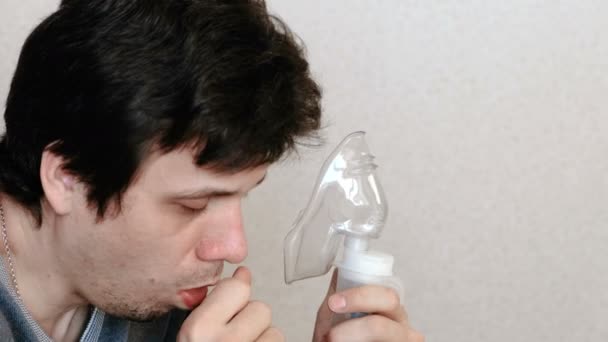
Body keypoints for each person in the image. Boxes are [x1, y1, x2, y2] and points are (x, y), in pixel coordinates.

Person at [0, 0, 424, 341]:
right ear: (66, 178)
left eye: (245, 195)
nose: (233, 247)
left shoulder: (157, 296)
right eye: (192, 204)